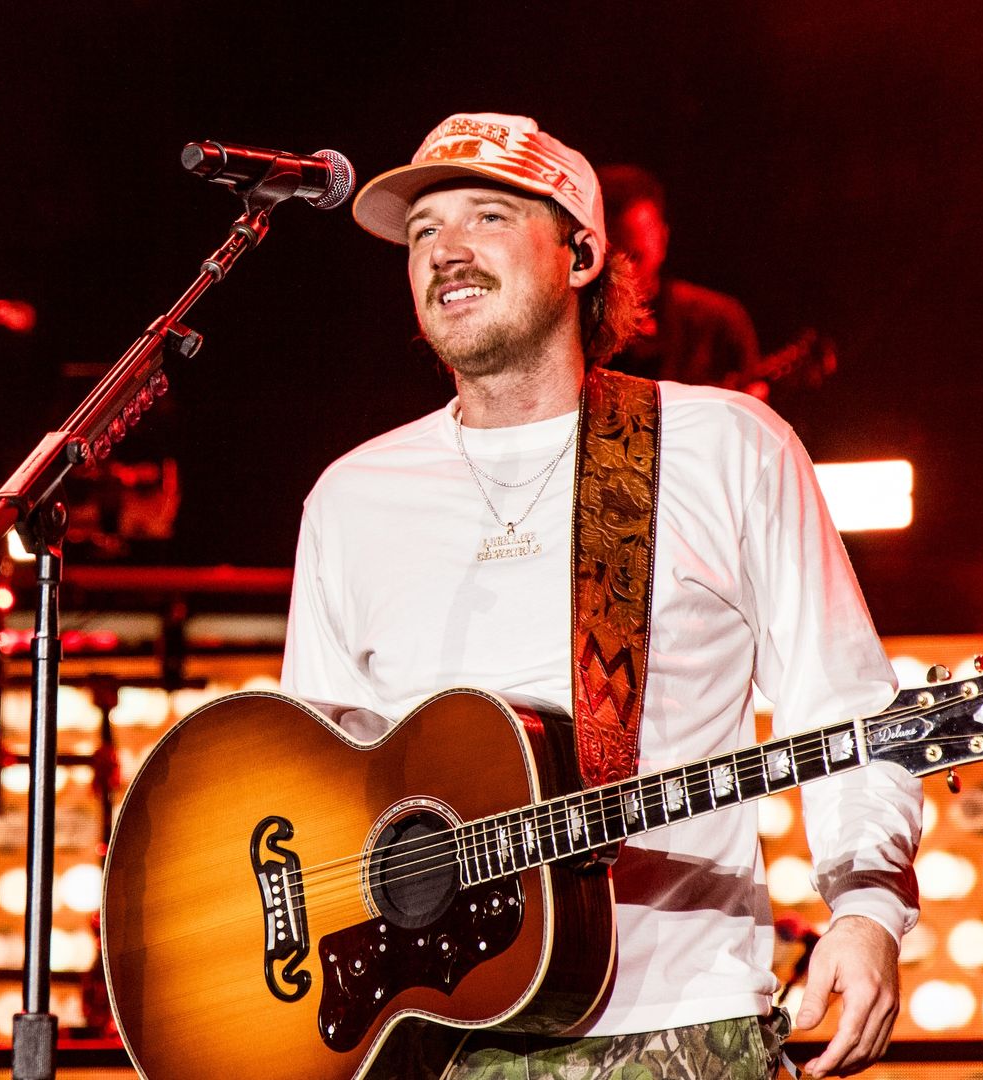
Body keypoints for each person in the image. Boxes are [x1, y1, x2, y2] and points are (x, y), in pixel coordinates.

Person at [281, 112, 921, 1079]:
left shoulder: (725, 447)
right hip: (425, 1040)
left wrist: (868, 907)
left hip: (675, 1022)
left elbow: (844, 705)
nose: (444, 250)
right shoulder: (352, 496)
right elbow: (313, 771)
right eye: (421, 233)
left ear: (582, 254)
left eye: (487, 217)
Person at [598, 163, 764, 392]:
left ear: (663, 241)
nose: (624, 274)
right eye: (610, 259)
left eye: (635, 257)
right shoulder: (567, 332)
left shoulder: (719, 324)